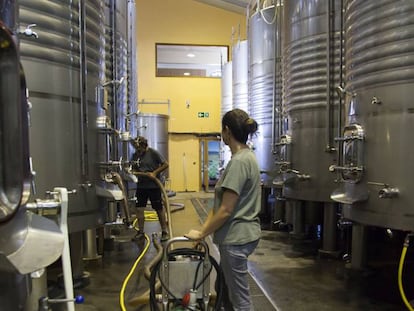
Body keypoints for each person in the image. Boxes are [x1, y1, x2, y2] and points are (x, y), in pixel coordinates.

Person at [185, 108, 262, 311]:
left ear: (227, 131)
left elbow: (226, 209)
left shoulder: (239, 162)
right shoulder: (247, 157)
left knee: (240, 300)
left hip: (236, 238)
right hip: (241, 235)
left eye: (222, 131)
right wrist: (203, 234)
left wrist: (201, 233)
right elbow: (218, 204)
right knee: (225, 289)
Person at [130, 136, 170, 241]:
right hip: (141, 185)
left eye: (139, 149)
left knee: (158, 208)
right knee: (139, 209)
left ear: (144, 146)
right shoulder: (135, 155)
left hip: (154, 186)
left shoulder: (153, 153)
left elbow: (166, 164)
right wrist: (133, 172)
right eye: (136, 149)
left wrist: (154, 173)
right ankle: (141, 232)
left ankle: (165, 231)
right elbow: (133, 167)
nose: (138, 151)